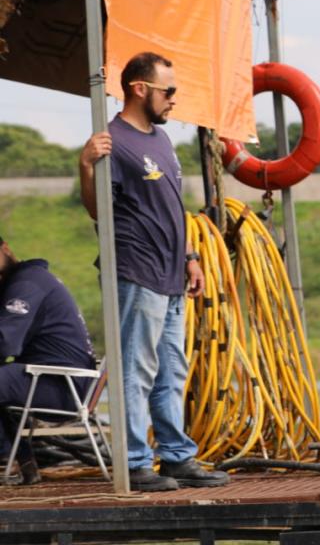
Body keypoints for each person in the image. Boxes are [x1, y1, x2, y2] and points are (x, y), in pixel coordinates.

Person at [78, 51, 228, 491]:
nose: (174, 100)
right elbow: (98, 211)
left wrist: (190, 257)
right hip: (137, 269)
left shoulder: (161, 141)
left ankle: (177, 456)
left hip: (170, 273)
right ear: (139, 88)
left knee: (171, 369)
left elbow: (171, 208)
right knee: (136, 369)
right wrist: (86, 165)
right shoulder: (112, 142)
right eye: (169, 91)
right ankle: (135, 461)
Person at [0, 236, 97, 480]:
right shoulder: (26, 280)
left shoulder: (26, 285)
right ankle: (19, 462)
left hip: (63, 387)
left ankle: (5, 459)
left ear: (6, 249)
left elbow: (4, 343)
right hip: (53, 379)